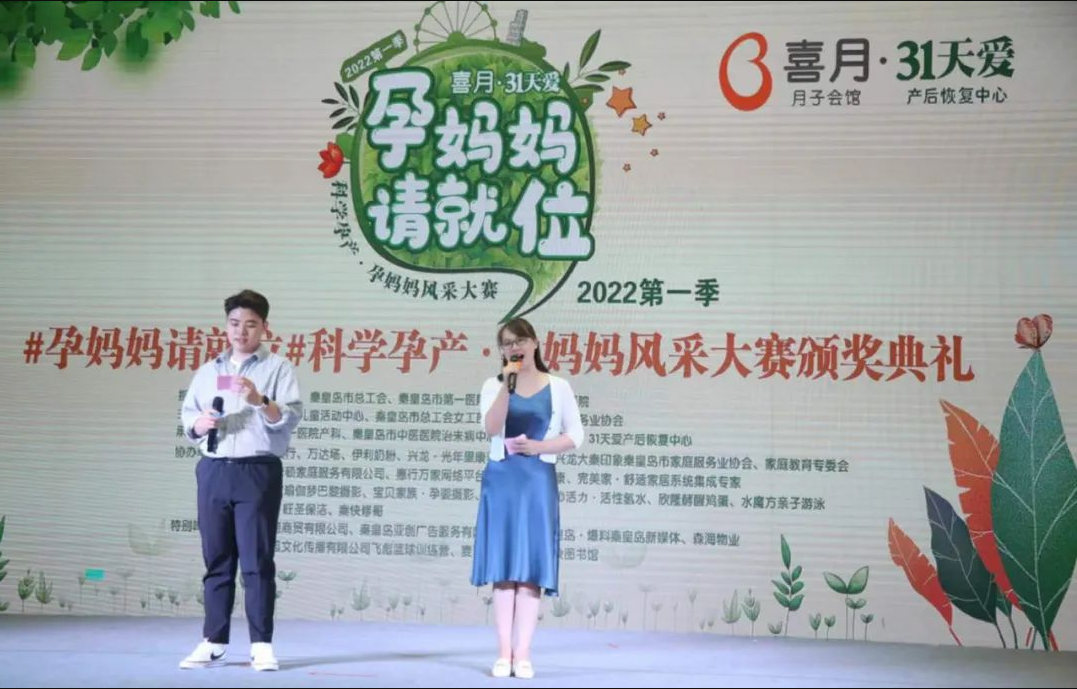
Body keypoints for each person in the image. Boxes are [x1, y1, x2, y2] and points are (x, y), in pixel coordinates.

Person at [178, 290, 302, 672]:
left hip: (256, 471)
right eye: (234, 323)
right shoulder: (208, 370)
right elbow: (189, 418)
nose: (241, 331)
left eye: (250, 324)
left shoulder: (278, 368)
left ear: (264, 327)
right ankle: (213, 641)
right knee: (217, 560)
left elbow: (289, 417)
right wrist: (199, 424)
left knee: (256, 561)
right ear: (226, 326)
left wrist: (259, 400)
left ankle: (261, 644)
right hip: (214, 470)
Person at [470, 317, 584, 679]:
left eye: (519, 340)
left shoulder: (558, 386)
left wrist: (539, 447)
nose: (514, 347)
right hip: (501, 479)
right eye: (507, 343)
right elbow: (490, 427)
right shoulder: (494, 385)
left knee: (530, 570)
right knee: (504, 570)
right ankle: (503, 653)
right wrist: (508, 385)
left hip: (536, 481)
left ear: (535, 342)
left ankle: (523, 655)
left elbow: (576, 435)